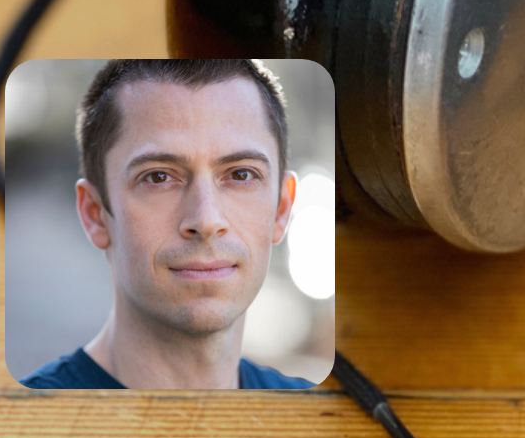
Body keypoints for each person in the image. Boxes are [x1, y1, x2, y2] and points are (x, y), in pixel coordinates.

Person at [19, 59, 315, 389]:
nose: (206, 220)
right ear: (95, 213)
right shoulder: (24, 418)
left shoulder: (316, 414)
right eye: (158, 177)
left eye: (241, 174)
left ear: (282, 208)